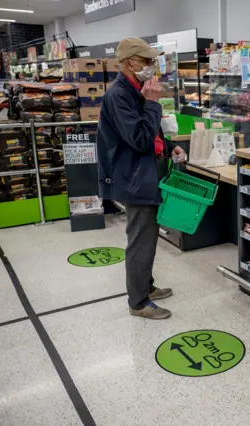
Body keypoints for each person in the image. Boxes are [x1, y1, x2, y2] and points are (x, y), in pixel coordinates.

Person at [97, 37, 185, 320]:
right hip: (135, 177)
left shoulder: (137, 89)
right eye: (147, 61)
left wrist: (170, 147)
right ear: (129, 63)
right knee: (141, 240)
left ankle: (145, 286)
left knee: (148, 237)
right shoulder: (119, 95)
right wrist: (151, 104)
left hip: (148, 171)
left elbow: (152, 134)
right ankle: (138, 302)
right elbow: (138, 138)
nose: (152, 66)